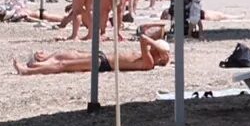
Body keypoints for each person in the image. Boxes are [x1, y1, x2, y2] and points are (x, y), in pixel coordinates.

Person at [15, 32, 171, 75]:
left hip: (102, 64)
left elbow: (143, 38)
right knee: (67, 54)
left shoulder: (149, 62)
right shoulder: (149, 57)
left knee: (63, 65)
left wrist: (156, 45)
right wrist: (167, 58)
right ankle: (40, 62)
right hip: (103, 56)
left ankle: (28, 70)